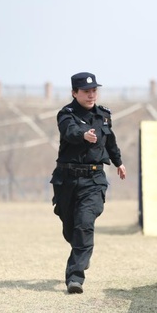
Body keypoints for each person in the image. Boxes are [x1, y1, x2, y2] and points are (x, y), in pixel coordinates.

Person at [50, 72, 126, 294]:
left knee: (84, 224)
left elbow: (110, 141)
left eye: (94, 90)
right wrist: (84, 135)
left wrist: (119, 162)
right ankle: (82, 252)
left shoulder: (103, 115)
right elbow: (70, 132)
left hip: (94, 179)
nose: (91, 95)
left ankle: (75, 278)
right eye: (86, 91)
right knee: (70, 228)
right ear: (74, 92)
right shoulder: (66, 114)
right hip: (67, 180)